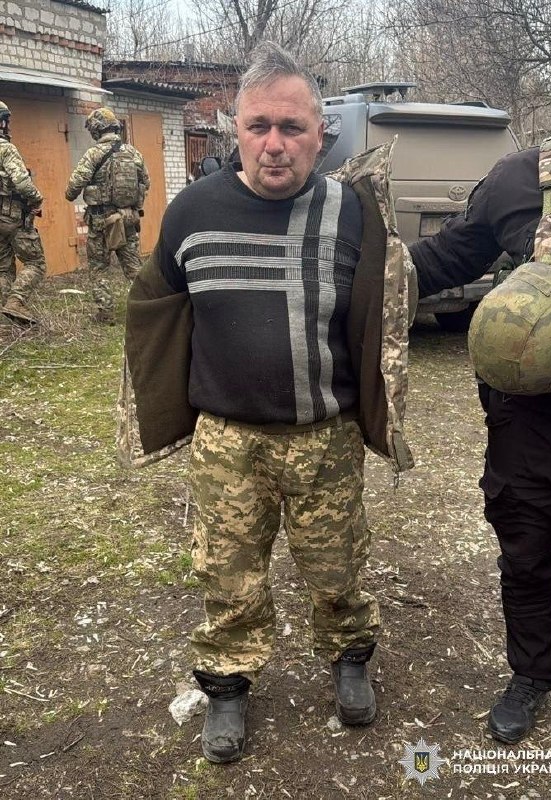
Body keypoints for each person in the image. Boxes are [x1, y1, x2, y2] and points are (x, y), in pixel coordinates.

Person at [122, 41, 422, 764]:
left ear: (321, 133)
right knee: (227, 575)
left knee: (339, 567)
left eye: (292, 127)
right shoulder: (191, 212)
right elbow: (158, 308)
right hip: (227, 442)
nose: (274, 144)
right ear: (236, 129)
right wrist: (163, 410)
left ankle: (350, 657)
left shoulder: (352, 214)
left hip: (325, 437)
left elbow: (387, 309)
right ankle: (228, 684)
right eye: (258, 126)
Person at [410, 84, 551, 744]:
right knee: (526, 556)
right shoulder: (521, 179)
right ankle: (531, 675)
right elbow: (444, 259)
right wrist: (354, 261)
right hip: (529, 423)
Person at [65, 108, 150, 324]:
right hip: (128, 219)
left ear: (96, 129)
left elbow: (74, 187)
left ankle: (106, 314)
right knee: (134, 268)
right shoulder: (133, 153)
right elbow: (145, 182)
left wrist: (72, 194)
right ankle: (148, 310)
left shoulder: (93, 154)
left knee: (98, 268)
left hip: (101, 222)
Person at [0, 100, 47, 325]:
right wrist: (36, 199)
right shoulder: (6, 149)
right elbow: (22, 183)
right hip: (12, 217)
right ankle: (15, 302)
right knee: (36, 263)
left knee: (3, 270)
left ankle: (5, 320)